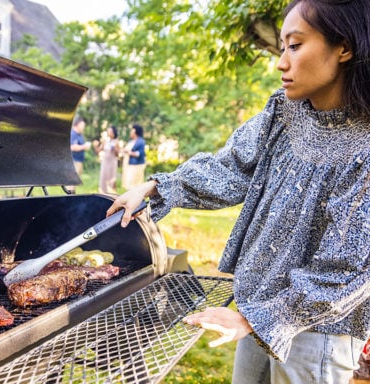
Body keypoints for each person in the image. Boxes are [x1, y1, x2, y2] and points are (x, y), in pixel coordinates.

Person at [106, 0, 370, 382]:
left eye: (295, 46)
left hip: (319, 335)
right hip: (253, 307)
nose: (281, 63)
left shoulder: (364, 147)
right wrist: (154, 186)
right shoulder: (284, 113)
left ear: (344, 47)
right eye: (281, 47)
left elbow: (348, 268)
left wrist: (258, 319)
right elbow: (230, 167)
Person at [93, 125, 120, 194]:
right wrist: (95, 146)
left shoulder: (116, 141)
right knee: (103, 177)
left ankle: (112, 193)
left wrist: (114, 148)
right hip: (105, 162)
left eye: (110, 131)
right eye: (108, 131)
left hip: (112, 162)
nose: (108, 132)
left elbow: (117, 154)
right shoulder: (105, 141)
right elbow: (98, 151)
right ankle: (103, 192)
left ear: (113, 132)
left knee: (112, 178)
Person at [68, 116, 91, 193]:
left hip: (79, 161)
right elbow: (72, 147)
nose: (83, 127)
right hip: (74, 160)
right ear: (77, 124)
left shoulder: (79, 135)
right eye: (82, 125)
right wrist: (84, 146)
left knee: (75, 182)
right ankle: (69, 196)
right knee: (71, 181)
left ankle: (73, 195)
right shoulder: (73, 134)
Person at [121, 124, 146, 190]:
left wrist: (129, 152)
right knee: (129, 182)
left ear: (135, 132)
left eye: (131, 131)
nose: (130, 133)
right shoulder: (130, 142)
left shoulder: (141, 141)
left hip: (136, 165)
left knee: (135, 183)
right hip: (129, 164)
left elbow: (139, 154)